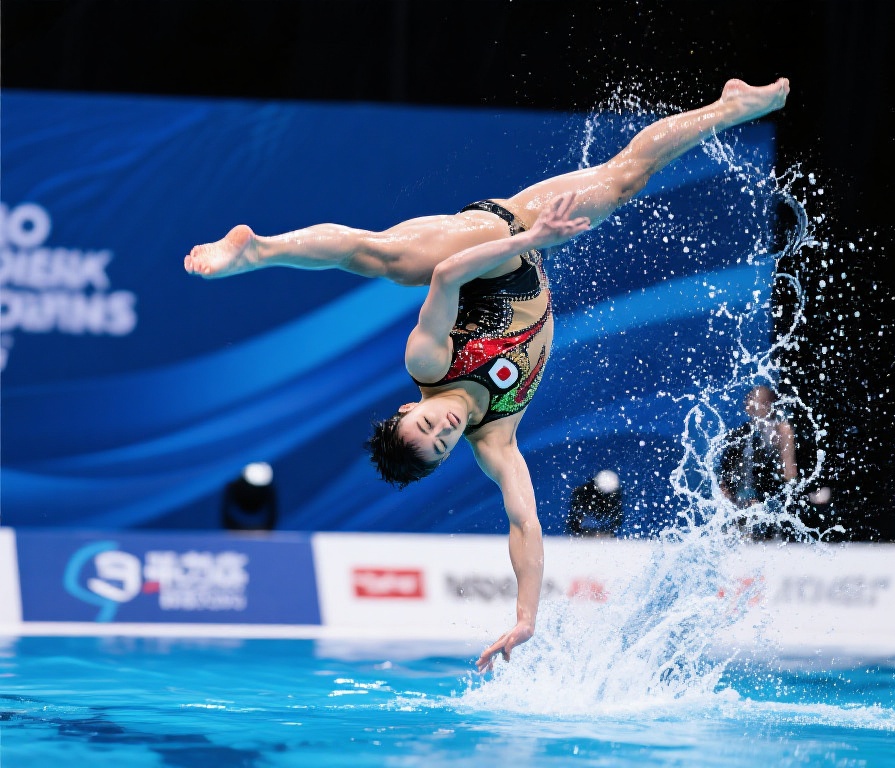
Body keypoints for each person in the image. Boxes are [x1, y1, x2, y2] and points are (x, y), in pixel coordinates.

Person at [185, 78, 791, 672]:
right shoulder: (495, 440)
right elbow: (524, 522)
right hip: (526, 241)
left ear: (409, 407)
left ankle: (258, 249)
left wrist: (530, 238)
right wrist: (525, 617)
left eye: (427, 423)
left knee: (388, 258)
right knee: (626, 177)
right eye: (442, 442)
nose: (445, 426)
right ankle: (728, 107)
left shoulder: (428, 364)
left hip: (488, 243)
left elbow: (447, 275)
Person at [717, 385, 798, 538]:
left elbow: (790, 472)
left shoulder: (783, 430)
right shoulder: (742, 434)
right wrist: (726, 488)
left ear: (772, 404)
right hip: (750, 493)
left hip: (773, 492)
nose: (751, 406)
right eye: (750, 402)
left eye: (760, 402)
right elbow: (727, 466)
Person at [567, 469, 624, 537]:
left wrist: (609, 532)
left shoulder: (614, 499)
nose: (605, 498)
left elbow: (617, 519)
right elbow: (575, 514)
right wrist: (577, 530)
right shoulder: (584, 495)